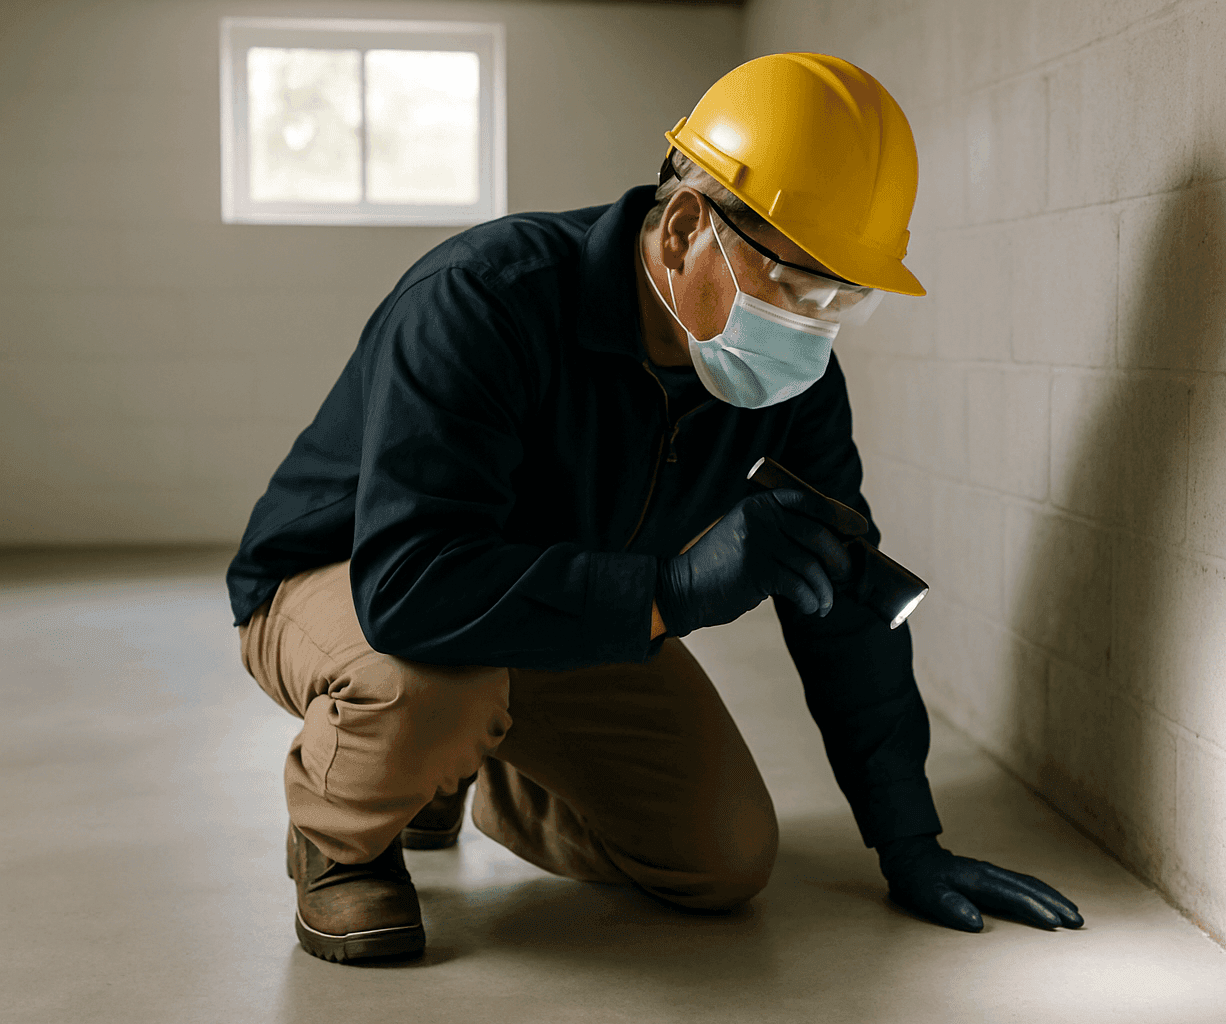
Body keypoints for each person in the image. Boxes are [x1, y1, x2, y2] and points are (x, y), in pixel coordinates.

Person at [228, 52, 1083, 964]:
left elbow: (841, 602)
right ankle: (340, 840)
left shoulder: (790, 387)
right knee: (433, 685)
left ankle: (461, 765)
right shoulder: (481, 301)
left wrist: (908, 838)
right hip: (351, 582)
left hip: (548, 609)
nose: (815, 326)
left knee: (723, 860)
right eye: (799, 287)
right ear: (683, 231)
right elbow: (410, 589)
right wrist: (671, 590)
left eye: (845, 299)